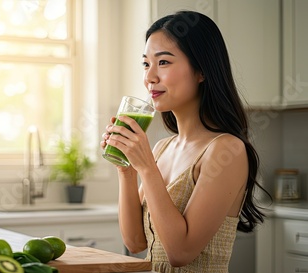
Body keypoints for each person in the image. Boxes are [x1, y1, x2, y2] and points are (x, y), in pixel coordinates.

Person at [100, 11, 268, 273]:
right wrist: (127, 169)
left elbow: (181, 253)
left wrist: (146, 168)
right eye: (146, 64)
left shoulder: (227, 150)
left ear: (201, 70)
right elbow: (134, 242)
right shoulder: (163, 148)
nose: (150, 77)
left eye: (163, 62)